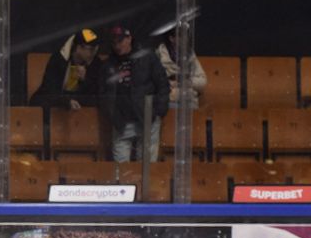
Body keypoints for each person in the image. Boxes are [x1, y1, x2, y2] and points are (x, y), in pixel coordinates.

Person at [99, 25, 170, 163]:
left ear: (129, 38)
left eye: (120, 41)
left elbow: (163, 84)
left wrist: (158, 111)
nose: (117, 45)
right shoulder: (108, 65)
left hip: (147, 118)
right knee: (120, 169)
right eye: (114, 42)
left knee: (146, 166)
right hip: (121, 122)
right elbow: (103, 93)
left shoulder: (148, 58)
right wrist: (112, 114)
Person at [30, 28, 102, 110]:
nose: (94, 53)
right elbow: (50, 89)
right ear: (78, 48)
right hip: (58, 101)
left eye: (95, 49)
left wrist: (85, 78)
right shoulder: (58, 60)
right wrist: (66, 101)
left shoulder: (95, 62)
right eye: (91, 49)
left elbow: (97, 93)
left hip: (79, 105)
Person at [155, 30, 208, 110]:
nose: (185, 39)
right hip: (166, 99)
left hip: (187, 99)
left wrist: (188, 82)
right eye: (181, 36)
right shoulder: (159, 54)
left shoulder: (190, 55)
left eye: (185, 36)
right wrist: (168, 83)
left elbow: (202, 81)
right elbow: (152, 80)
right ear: (171, 38)